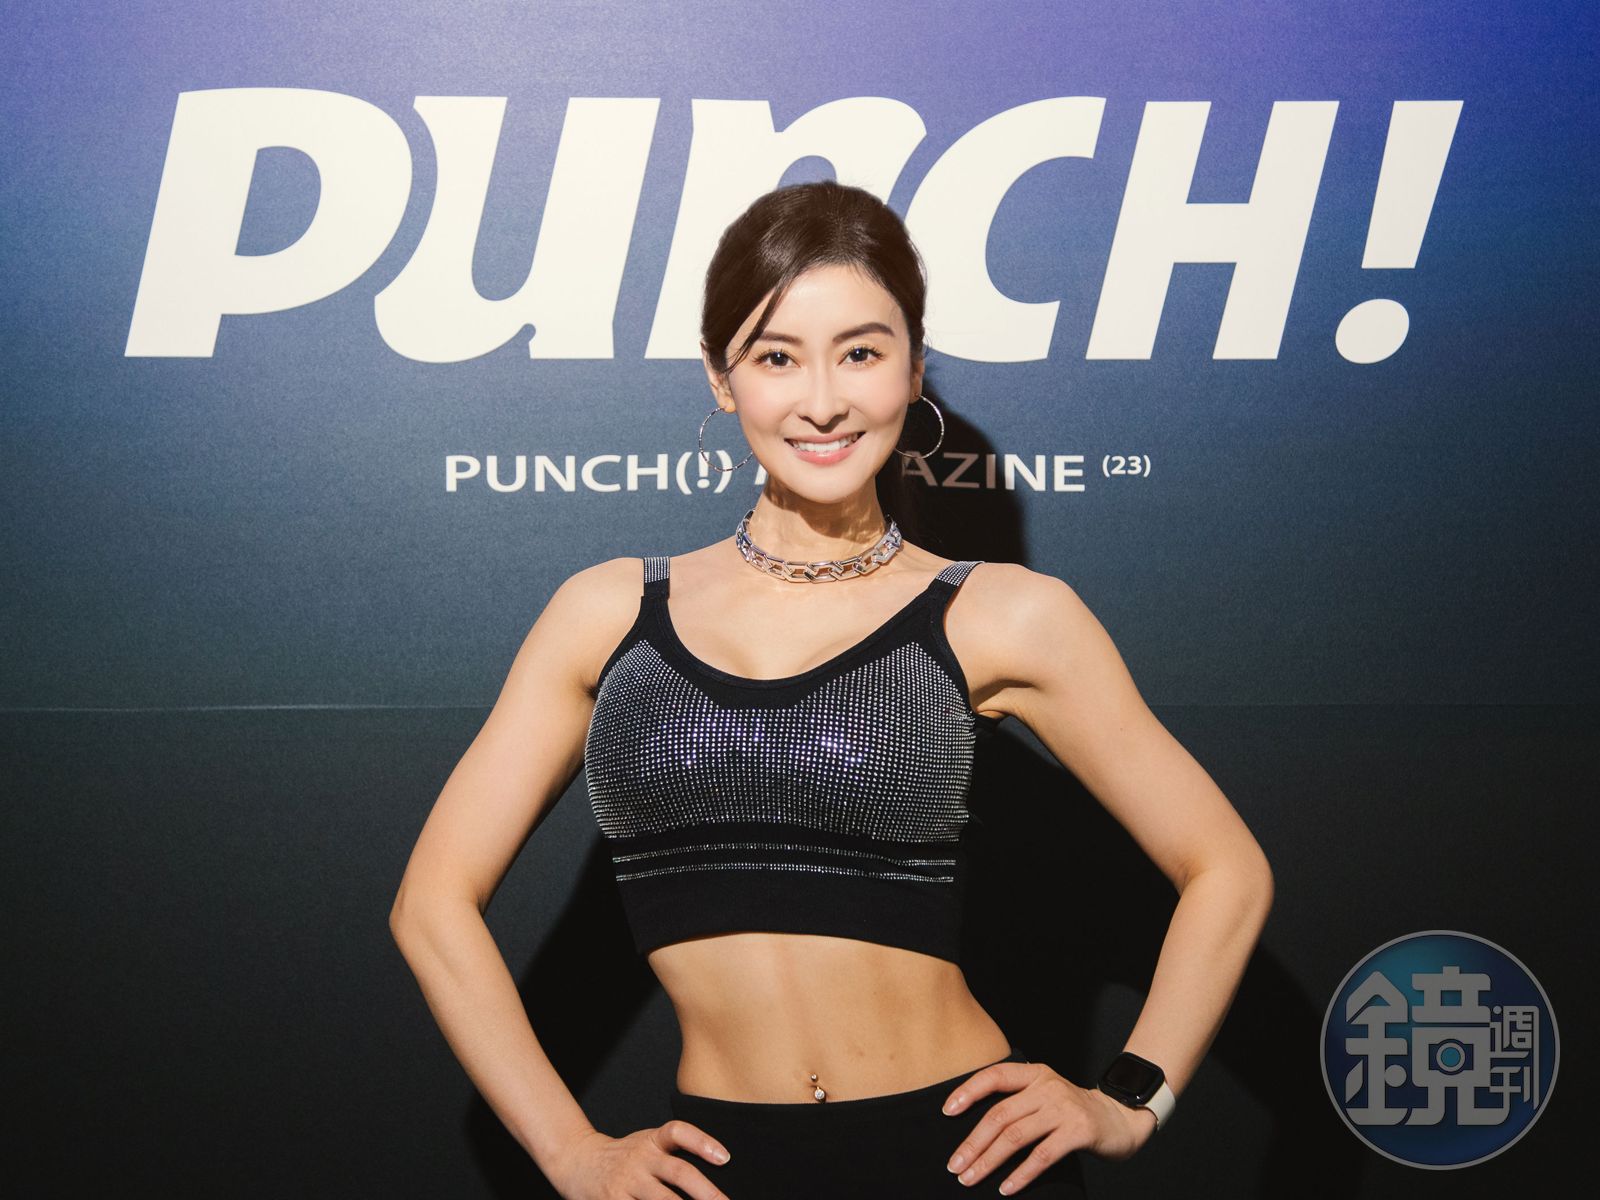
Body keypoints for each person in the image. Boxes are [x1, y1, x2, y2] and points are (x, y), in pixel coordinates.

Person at [389, 179, 1274, 1199]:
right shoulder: (608, 612)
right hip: (725, 1169)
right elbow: (432, 904)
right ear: (721, 376)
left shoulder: (1003, 614)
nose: (821, 400)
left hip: (957, 1160)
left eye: (861, 352)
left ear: (913, 367)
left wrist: (1127, 1100)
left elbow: (1225, 869)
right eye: (777, 357)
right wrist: (567, 1148)